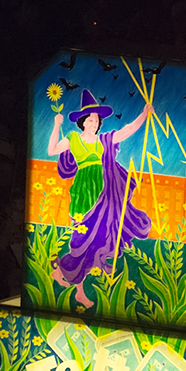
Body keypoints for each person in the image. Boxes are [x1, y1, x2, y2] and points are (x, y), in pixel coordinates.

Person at [47, 89, 153, 308]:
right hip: (83, 194)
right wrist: (56, 125)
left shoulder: (103, 141)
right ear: (84, 122)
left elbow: (126, 131)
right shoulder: (73, 139)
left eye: (97, 121)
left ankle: (71, 282)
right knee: (80, 242)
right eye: (92, 120)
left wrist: (144, 115)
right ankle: (71, 283)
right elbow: (51, 151)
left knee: (94, 243)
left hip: (102, 195)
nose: (95, 124)